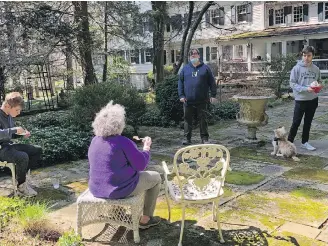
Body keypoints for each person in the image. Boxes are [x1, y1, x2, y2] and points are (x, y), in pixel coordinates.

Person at [88, 101, 162, 229]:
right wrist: (146, 148)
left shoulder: (95, 140)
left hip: (96, 188)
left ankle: (116, 212)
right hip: (118, 189)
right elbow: (141, 165)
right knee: (156, 178)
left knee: (115, 175)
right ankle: (146, 219)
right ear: (119, 124)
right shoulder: (123, 142)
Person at [0, 92, 42, 197]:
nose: (18, 113)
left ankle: (21, 179)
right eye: (17, 110)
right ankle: (21, 187)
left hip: (9, 146)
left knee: (37, 150)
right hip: (1, 149)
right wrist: (14, 130)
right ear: (7, 106)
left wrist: (22, 134)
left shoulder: (8, 115)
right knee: (22, 156)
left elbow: (10, 135)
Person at [178, 48, 217, 145]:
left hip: (202, 100)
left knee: (203, 119)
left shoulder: (205, 68)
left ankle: (204, 139)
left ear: (199, 55)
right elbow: (180, 83)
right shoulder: (185, 69)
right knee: (187, 120)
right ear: (189, 56)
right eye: (191, 54)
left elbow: (212, 82)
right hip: (188, 100)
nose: (193, 56)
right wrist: (181, 95)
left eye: (195, 54)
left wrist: (213, 95)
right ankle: (187, 139)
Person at [288, 46, 321, 151]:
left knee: (308, 122)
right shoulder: (296, 68)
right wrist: (306, 89)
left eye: (309, 55)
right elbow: (292, 83)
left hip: (313, 100)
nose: (306, 58)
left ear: (313, 56)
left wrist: (319, 86)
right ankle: (289, 143)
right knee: (296, 123)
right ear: (302, 55)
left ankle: (305, 142)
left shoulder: (316, 69)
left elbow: (319, 81)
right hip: (301, 100)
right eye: (304, 55)